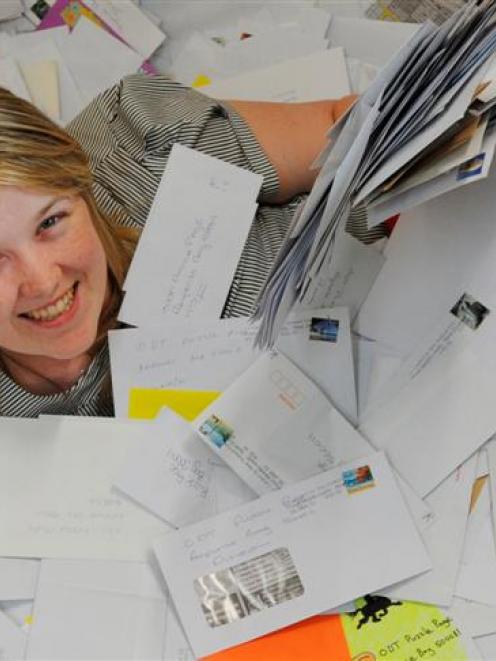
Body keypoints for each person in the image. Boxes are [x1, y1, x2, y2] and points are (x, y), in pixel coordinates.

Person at [0, 73, 369, 417]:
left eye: (50, 222)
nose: (44, 282)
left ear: (81, 183)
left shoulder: (133, 139)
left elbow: (366, 133)